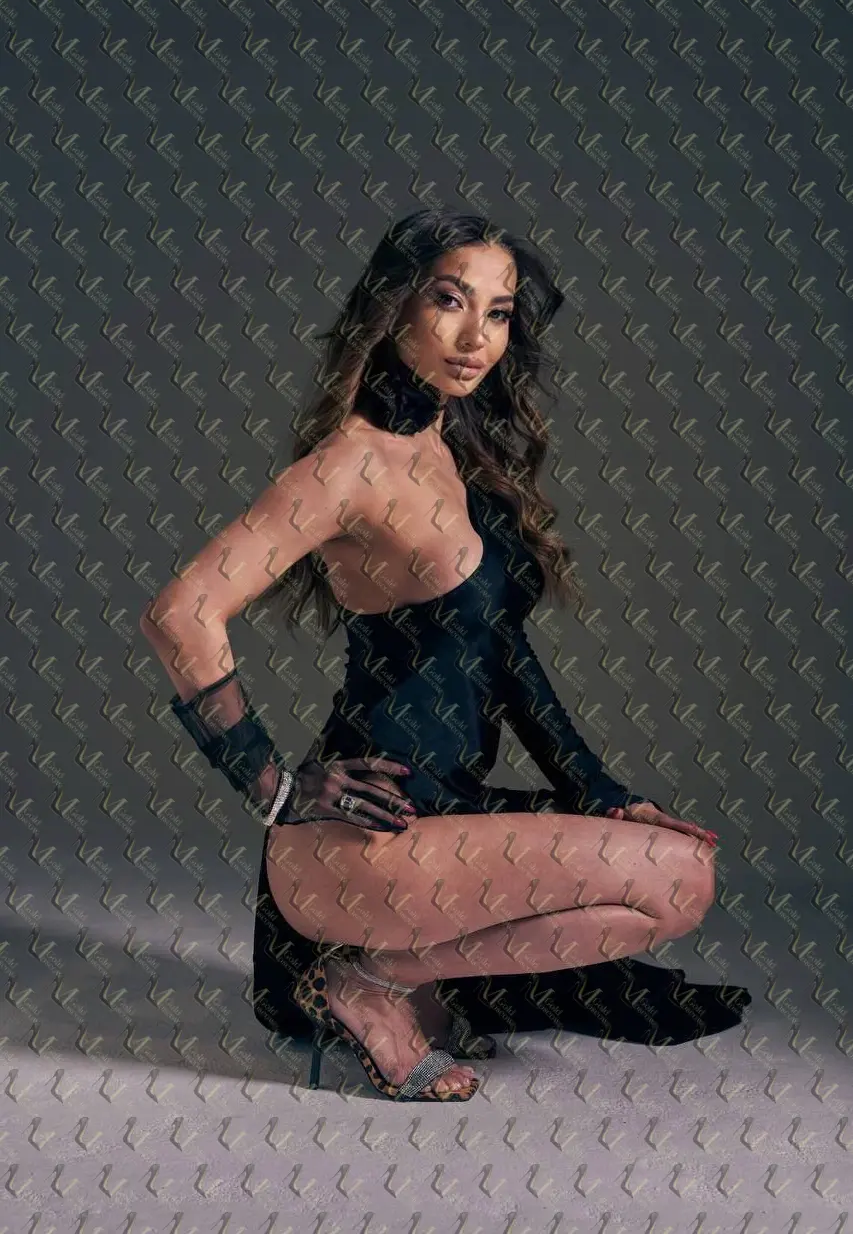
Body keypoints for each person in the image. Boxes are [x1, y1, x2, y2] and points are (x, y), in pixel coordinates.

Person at [141, 209, 726, 1103]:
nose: (474, 337)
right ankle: (364, 983)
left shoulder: (449, 450)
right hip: (362, 839)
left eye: (498, 313)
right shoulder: (347, 465)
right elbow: (181, 614)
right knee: (671, 878)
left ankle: (391, 975)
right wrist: (273, 787)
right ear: (393, 307)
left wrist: (602, 793)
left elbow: (505, 653)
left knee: (678, 876)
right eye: (449, 301)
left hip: (444, 814)